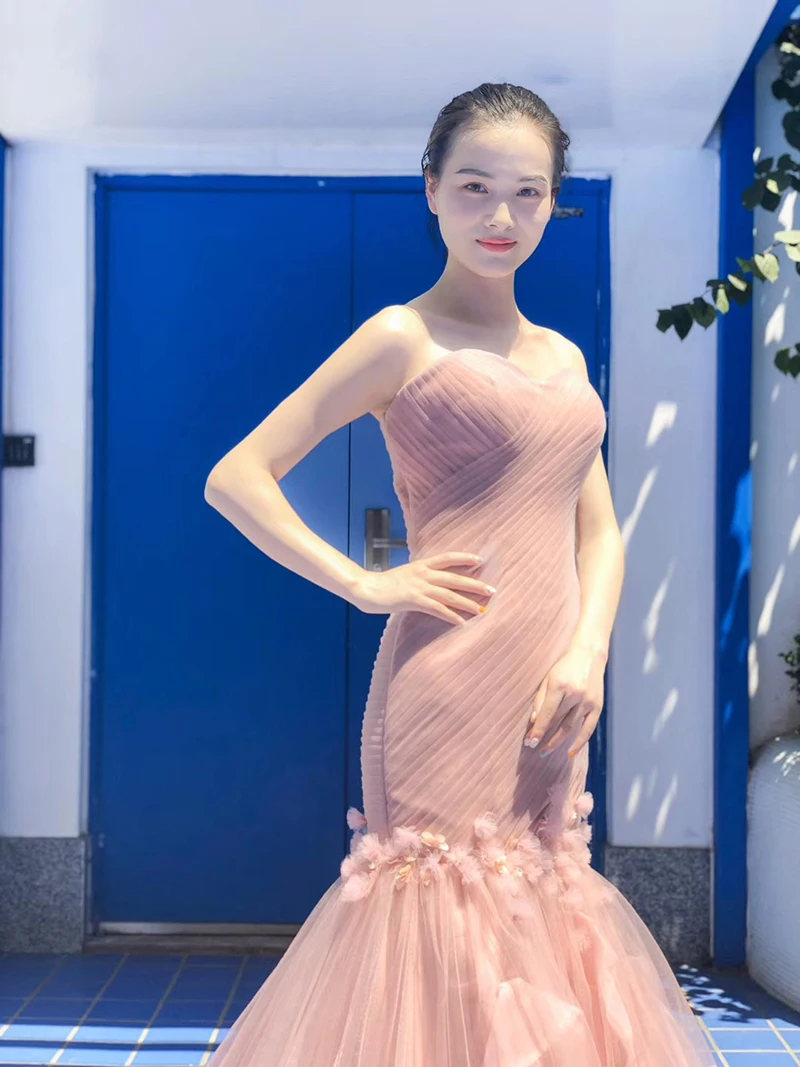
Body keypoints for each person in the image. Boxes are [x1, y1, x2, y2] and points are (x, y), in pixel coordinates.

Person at [203, 82, 714, 1067]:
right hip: (445, 682)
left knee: (538, 915)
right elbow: (238, 476)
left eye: (527, 192)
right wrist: (363, 582)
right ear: (431, 189)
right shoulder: (402, 336)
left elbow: (599, 532)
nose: (499, 215)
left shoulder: (563, 357)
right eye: (474, 186)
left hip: (551, 692)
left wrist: (588, 653)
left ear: (552, 202)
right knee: (440, 932)